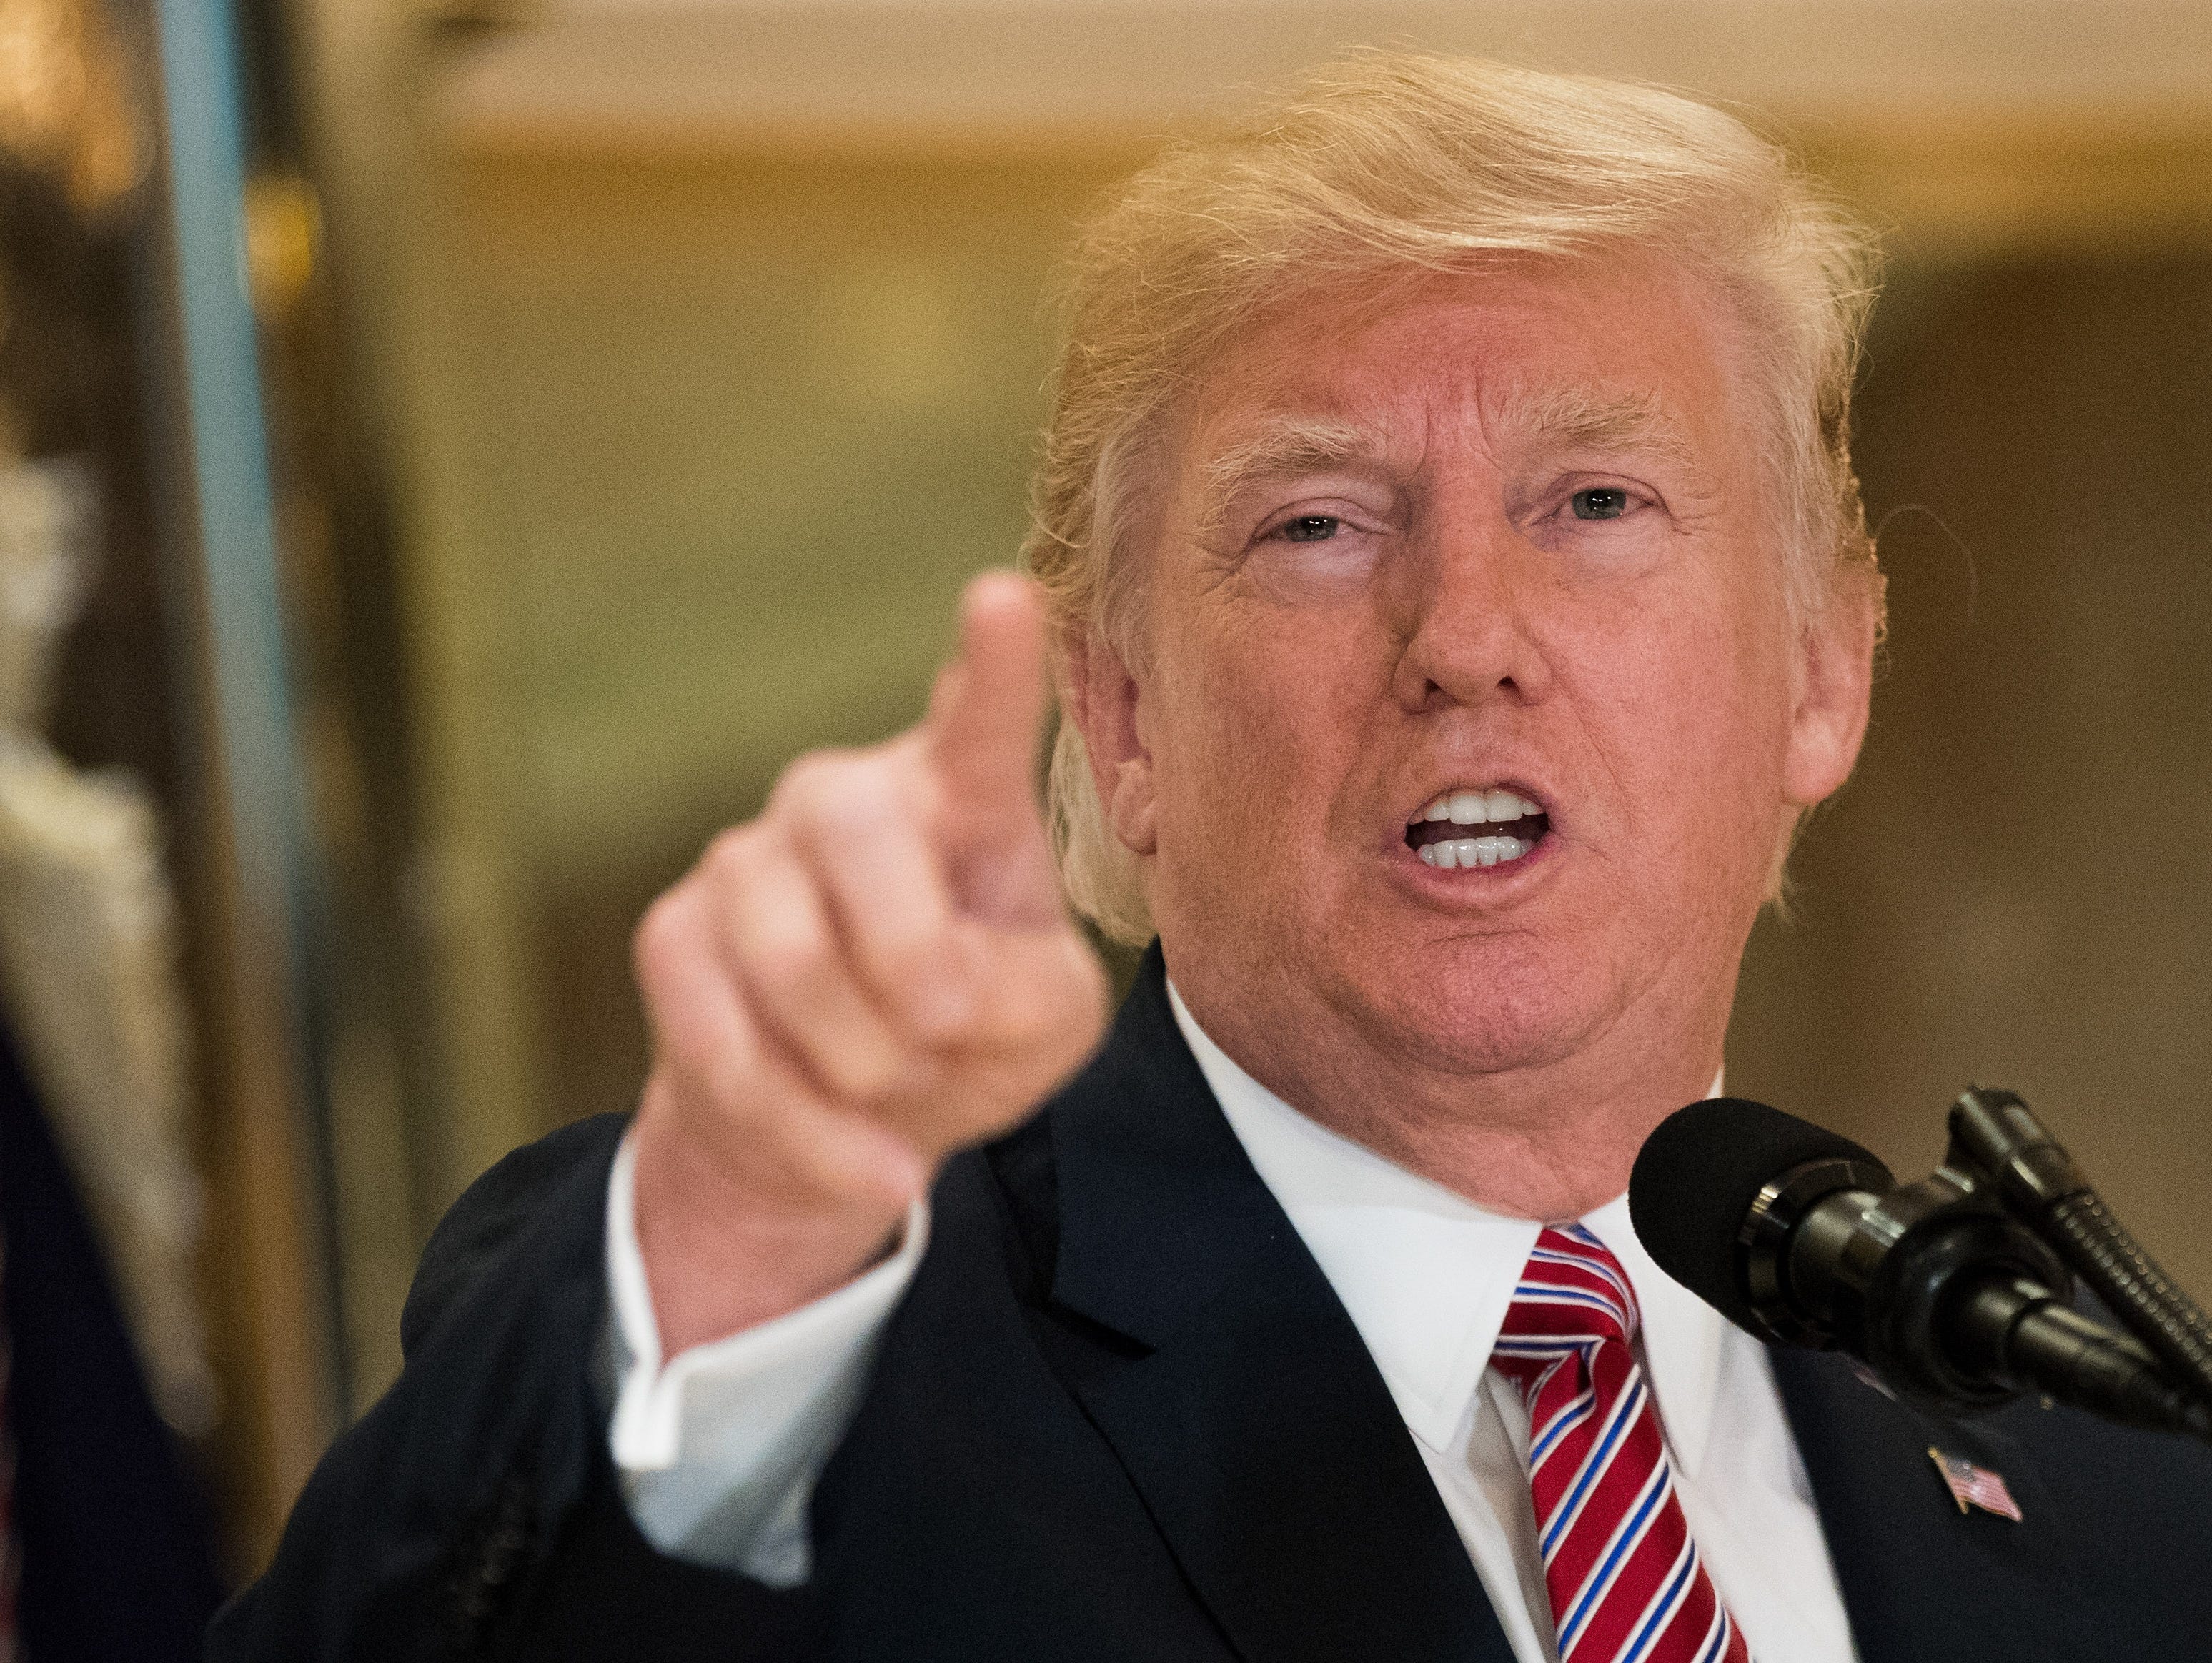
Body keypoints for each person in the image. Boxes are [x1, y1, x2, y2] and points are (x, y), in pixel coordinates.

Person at [210, 54, 2211, 1662]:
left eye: (1595, 501)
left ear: (1822, 669)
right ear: (1126, 719)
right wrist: (732, 1239)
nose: (1464, 637)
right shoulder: (814, 1365)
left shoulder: (2116, 1481)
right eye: (1317, 527)